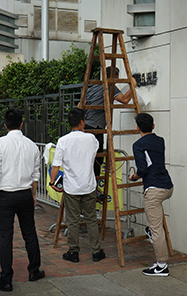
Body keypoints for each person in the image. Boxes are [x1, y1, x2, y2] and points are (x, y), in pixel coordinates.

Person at [50, 108, 105, 263]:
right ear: (83, 121)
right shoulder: (92, 139)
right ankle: (96, 251)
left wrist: (52, 182)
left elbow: (56, 165)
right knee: (91, 219)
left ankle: (73, 252)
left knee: (73, 220)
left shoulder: (63, 141)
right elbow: (95, 153)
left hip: (71, 187)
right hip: (88, 185)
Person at [0, 109, 45, 292]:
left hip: (5, 194)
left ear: (5, 125)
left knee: (5, 236)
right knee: (29, 232)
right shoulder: (32, 145)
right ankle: (34, 270)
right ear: (21, 124)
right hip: (26, 194)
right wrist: (33, 195)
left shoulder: (1, 144)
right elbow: (36, 175)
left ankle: (6, 279)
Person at [78, 66, 137, 198]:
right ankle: (94, 190)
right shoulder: (111, 87)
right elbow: (125, 100)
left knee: (85, 159)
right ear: (114, 77)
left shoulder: (92, 87)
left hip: (84, 127)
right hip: (96, 129)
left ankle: (84, 187)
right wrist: (132, 84)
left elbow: (79, 106)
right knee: (97, 159)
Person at [129, 113, 173, 277]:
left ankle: (161, 266)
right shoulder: (160, 140)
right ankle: (151, 232)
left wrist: (133, 177)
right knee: (155, 227)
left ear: (137, 128)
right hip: (168, 187)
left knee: (156, 230)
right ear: (153, 126)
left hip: (154, 190)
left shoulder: (138, 144)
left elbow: (143, 169)